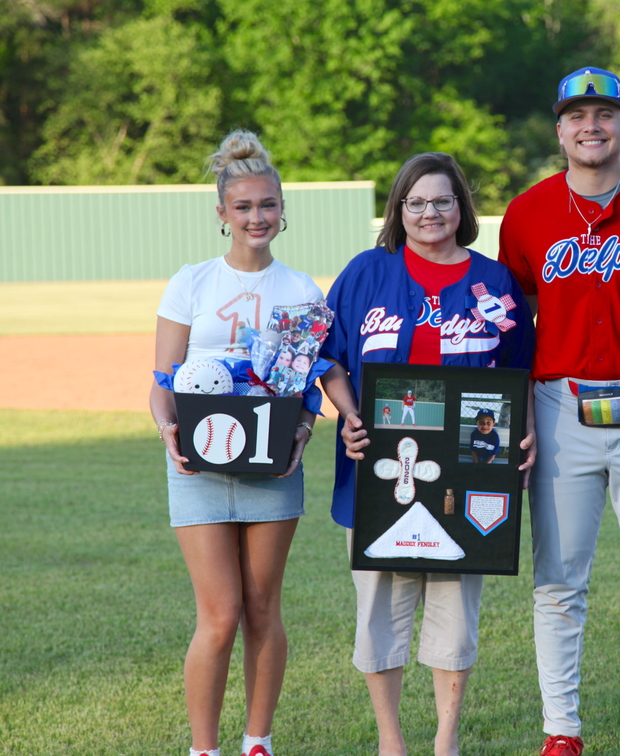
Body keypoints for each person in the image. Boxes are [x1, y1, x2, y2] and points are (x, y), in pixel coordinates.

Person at [498, 68, 620, 756]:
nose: (592, 126)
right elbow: (516, 320)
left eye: (604, 114)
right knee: (557, 582)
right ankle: (563, 733)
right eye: (577, 116)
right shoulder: (526, 214)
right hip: (558, 410)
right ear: (559, 130)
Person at [319, 152, 535, 756]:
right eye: (415, 202)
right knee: (379, 609)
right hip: (376, 470)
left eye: (443, 200)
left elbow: (522, 370)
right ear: (398, 209)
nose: (429, 213)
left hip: (468, 471)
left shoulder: (493, 280)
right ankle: (391, 740)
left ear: (462, 206)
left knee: (455, 611)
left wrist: (527, 430)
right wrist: (350, 414)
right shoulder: (367, 272)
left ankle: (446, 737)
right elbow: (328, 355)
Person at [149, 130, 322, 756]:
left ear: (283, 209)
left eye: (268, 205)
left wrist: (303, 431)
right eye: (244, 207)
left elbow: (307, 388)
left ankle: (258, 741)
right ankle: (204, 749)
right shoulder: (191, 283)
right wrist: (168, 432)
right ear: (222, 213)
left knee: (262, 607)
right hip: (198, 465)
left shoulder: (302, 289)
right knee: (220, 615)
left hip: (272, 467)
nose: (257, 217)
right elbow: (163, 384)